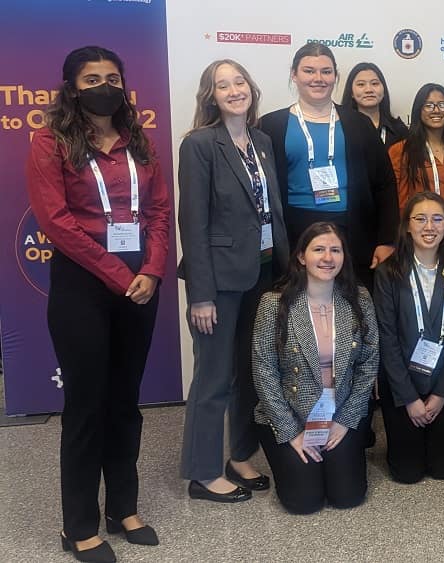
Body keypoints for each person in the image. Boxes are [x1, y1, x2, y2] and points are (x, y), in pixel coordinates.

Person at [26, 45, 167, 562]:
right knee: (87, 408)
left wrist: (151, 269)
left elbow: (158, 210)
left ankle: (123, 507)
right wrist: (118, 274)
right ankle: (79, 524)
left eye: (111, 77)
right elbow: (56, 222)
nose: (103, 85)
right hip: (84, 285)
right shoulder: (50, 142)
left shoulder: (139, 143)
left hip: (140, 285)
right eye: (91, 79)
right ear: (71, 87)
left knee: (126, 402)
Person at [178, 59, 287, 504]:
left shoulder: (260, 142)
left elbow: (270, 210)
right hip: (219, 281)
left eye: (239, 81)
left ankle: (240, 455)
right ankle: (202, 473)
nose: (233, 90)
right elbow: (193, 223)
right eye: (223, 85)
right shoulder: (200, 145)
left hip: (262, 271)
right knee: (215, 375)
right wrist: (200, 295)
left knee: (250, 371)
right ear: (211, 96)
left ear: (251, 88)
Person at [251, 222, 378, 514]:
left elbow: (369, 362)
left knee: (348, 497)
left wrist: (346, 420)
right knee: (304, 502)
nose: (327, 257)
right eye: (318, 249)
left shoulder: (358, 299)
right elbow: (264, 370)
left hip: (342, 410)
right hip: (290, 413)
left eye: (335, 250)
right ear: (301, 257)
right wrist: (291, 431)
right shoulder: (274, 304)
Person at [259, 43, 398, 291]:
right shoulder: (271, 125)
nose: (318, 78)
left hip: (352, 228)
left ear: (335, 76)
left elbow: (385, 183)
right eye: (309, 71)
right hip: (294, 228)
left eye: (326, 71)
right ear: (294, 74)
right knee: (295, 300)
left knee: (351, 303)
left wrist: (387, 240)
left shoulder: (359, 124)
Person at [374, 192, 444, 483]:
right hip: (401, 384)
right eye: (420, 219)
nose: (429, 227)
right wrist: (409, 399)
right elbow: (387, 338)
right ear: (407, 226)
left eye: (437, 219)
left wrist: (441, 395)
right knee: (407, 473)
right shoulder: (387, 273)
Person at [390, 83, 444, 254]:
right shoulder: (401, 152)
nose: (436, 110)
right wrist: (415, 237)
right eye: (429, 105)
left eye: (442, 104)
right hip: (416, 242)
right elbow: (398, 203)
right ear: (418, 111)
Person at [340, 62, 409, 148]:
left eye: (374, 84)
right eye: (361, 84)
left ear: (384, 91)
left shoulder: (399, 130)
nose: (369, 90)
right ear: (351, 93)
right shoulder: (341, 128)